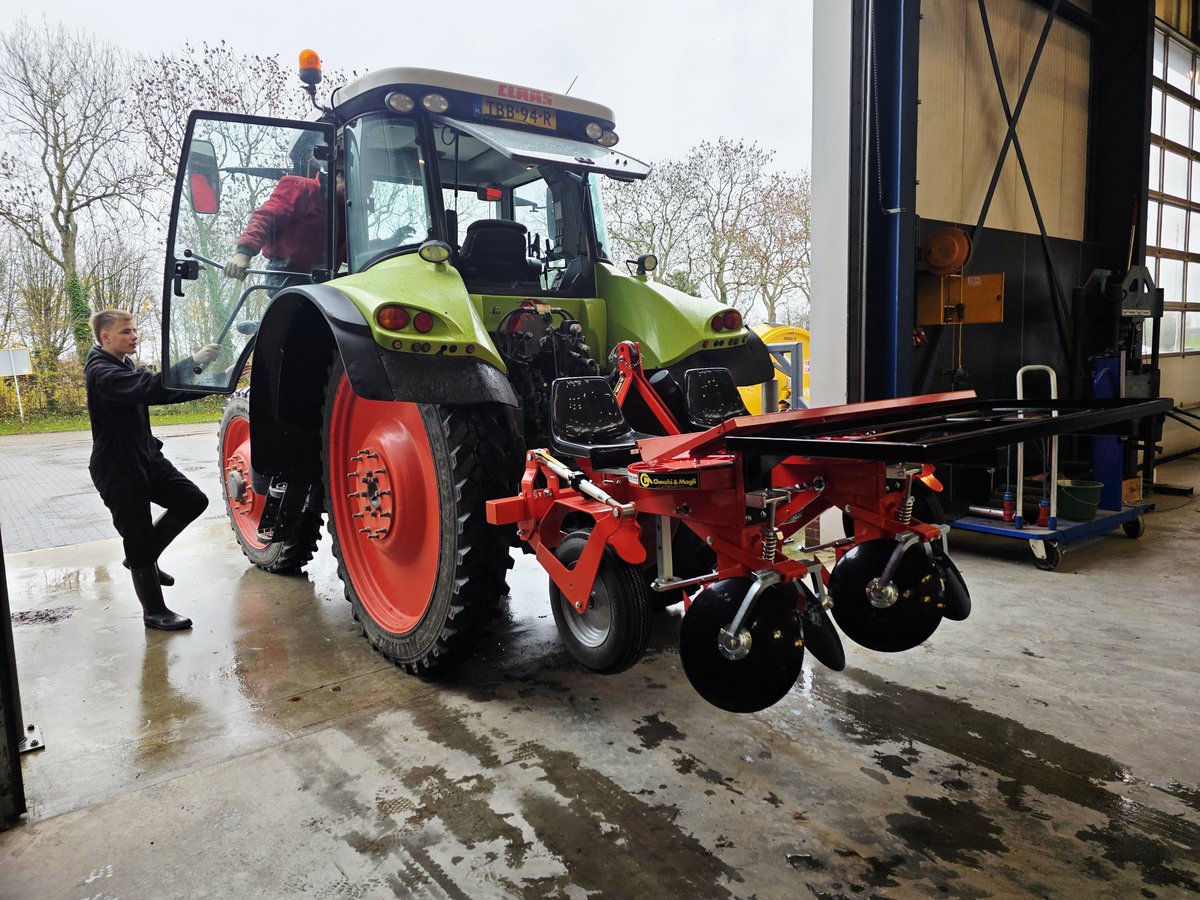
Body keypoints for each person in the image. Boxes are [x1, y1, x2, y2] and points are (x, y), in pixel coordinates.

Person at [85, 309, 220, 631]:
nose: (134, 336)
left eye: (134, 330)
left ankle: (144, 558)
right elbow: (151, 388)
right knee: (138, 536)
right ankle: (154, 612)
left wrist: (217, 380)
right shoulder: (103, 372)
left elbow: (166, 391)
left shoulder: (124, 365)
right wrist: (192, 360)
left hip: (146, 458)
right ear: (106, 337)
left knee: (192, 500)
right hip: (117, 467)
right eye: (126, 332)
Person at [223, 161, 345, 291]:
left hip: (324, 280)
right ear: (339, 176)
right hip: (287, 275)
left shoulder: (349, 216)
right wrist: (243, 253)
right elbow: (265, 217)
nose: (363, 193)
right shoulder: (302, 188)